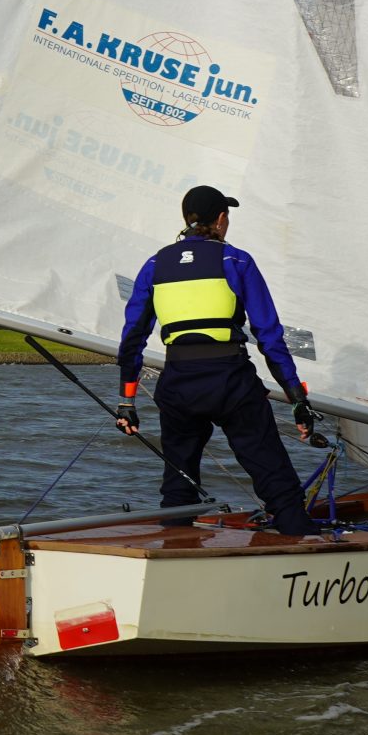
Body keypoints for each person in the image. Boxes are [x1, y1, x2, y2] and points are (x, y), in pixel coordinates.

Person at [114, 184, 320, 537]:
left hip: (178, 383)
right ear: (221, 219)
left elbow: (133, 338)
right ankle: (302, 542)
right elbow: (269, 336)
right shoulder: (236, 260)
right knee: (274, 479)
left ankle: (174, 548)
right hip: (231, 381)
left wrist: (126, 401)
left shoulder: (155, 265)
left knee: (178, 484)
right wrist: (297, 398)